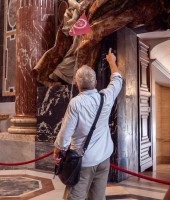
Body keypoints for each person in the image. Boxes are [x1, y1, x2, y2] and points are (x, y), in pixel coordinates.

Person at [53, 48, 123, 200]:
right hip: (104, 157)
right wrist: (112, 61)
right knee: (97, 197)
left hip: (83, 162)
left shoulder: (76, 103)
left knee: (74, 197)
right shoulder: (106, 97)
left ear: (77, 84)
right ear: (96, 82)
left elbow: (66, 132)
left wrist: (58, 150)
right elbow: (117, 79)